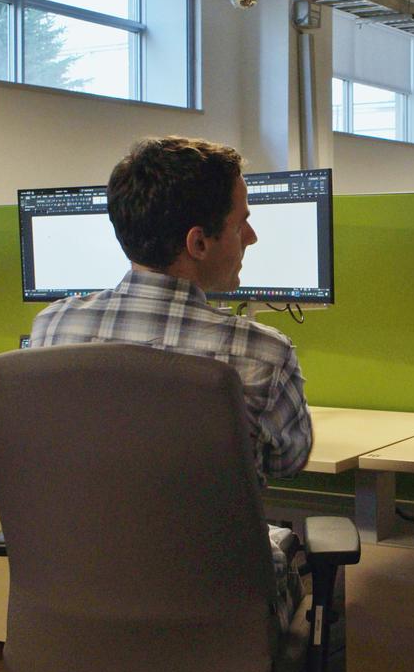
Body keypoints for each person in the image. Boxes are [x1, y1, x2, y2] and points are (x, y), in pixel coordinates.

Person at [31, 136, 313, 633]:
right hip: (220, 612)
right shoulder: (263, 353)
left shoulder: (53, 327)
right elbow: (288, 461)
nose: (251, 237)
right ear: (198, 243)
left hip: (78, 601)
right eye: (241, 223)